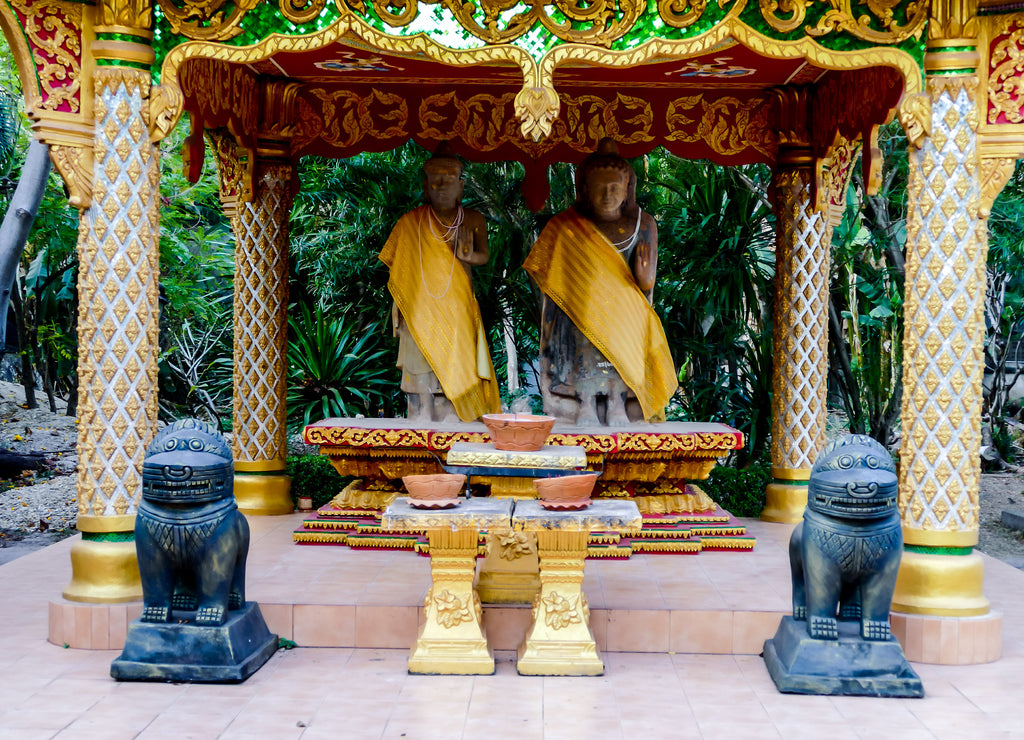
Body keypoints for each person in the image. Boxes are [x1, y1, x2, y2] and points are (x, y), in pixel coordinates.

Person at [523, 138, 677, 426]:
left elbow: (648, 283)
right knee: (584, 347)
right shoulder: (566, 226)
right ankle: (586, 404)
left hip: (625, 312)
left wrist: (645, 276)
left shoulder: (643, 224)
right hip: (583, 310)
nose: (607, 195)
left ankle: (619, 403)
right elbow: (550, 272)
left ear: (627, 191)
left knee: (622, 352)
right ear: (584, 190)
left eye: (614, 188)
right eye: (600, 188)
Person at [378, 142, 501, 423]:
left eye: (448, 181)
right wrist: (399, 304)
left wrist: (469, 255)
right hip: (421, 301)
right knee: (419, 353)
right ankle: (424, 407)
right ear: (425, 185)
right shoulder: (411, 222)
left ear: (462, 185)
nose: (442, 187)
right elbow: (400, 268)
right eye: (435, 182)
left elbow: (484, 255)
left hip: (457, 301)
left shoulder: (472, 218)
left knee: (459, 351)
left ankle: (455, 406)